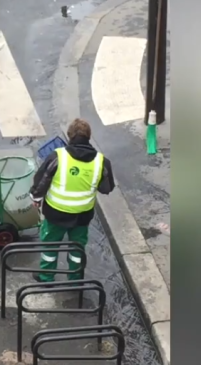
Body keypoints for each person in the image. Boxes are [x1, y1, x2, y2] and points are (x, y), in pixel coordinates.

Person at [29, 118, 116, 282]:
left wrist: (36, 197)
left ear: (69, 136)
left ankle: (46, 277)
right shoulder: (101, 161)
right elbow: (107, 188)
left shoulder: (58, 156)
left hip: (56, 214)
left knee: (50, 246)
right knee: (77, 247)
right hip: (82, 216)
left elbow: (41, 180)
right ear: (88, 137)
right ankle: (75, 278)